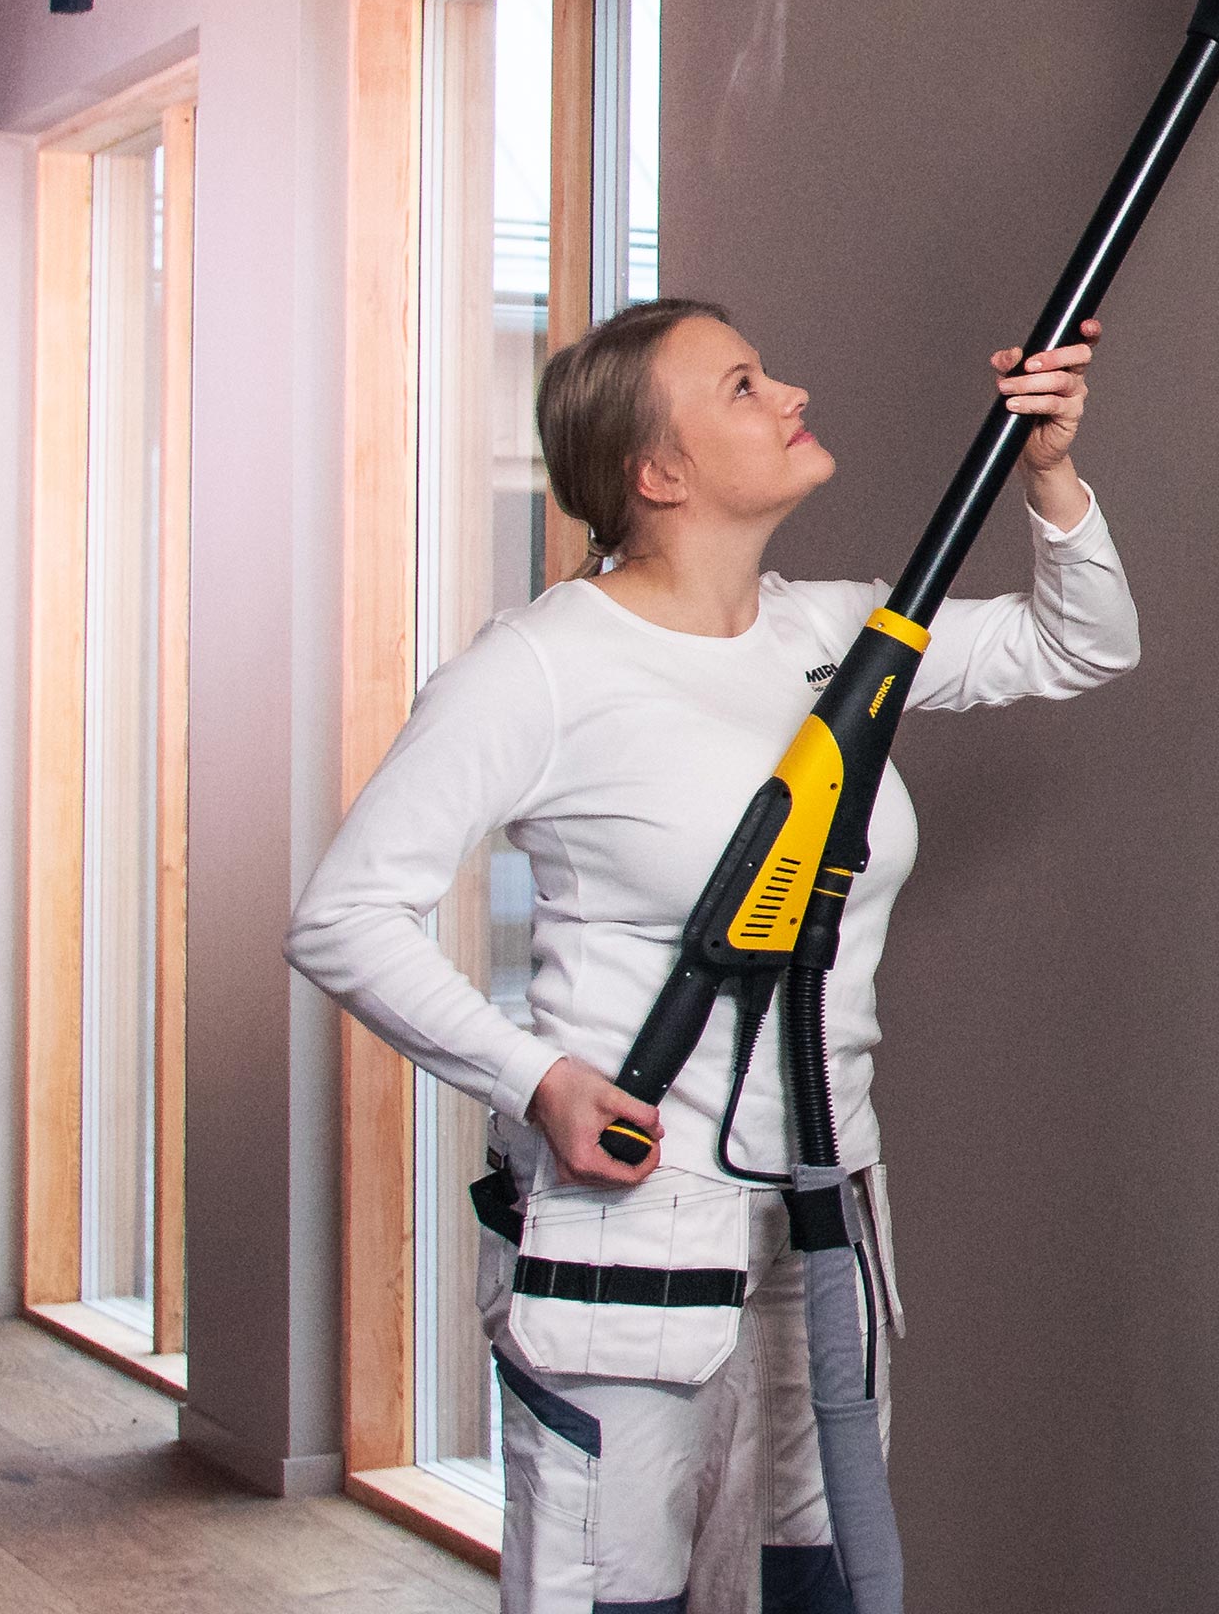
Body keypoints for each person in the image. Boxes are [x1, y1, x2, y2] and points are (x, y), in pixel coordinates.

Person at [284, 297, 1139, 1614]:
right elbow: (344, 913)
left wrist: (1050, 471)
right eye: (742, 385)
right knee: (615, 1595)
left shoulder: (843, 636)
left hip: (824, 1210)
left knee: (809, 1589)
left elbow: (1081, 643)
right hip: (632, 1227)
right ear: (660, 472)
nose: (789, 390)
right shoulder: (546, 667)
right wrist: (537, 1079)